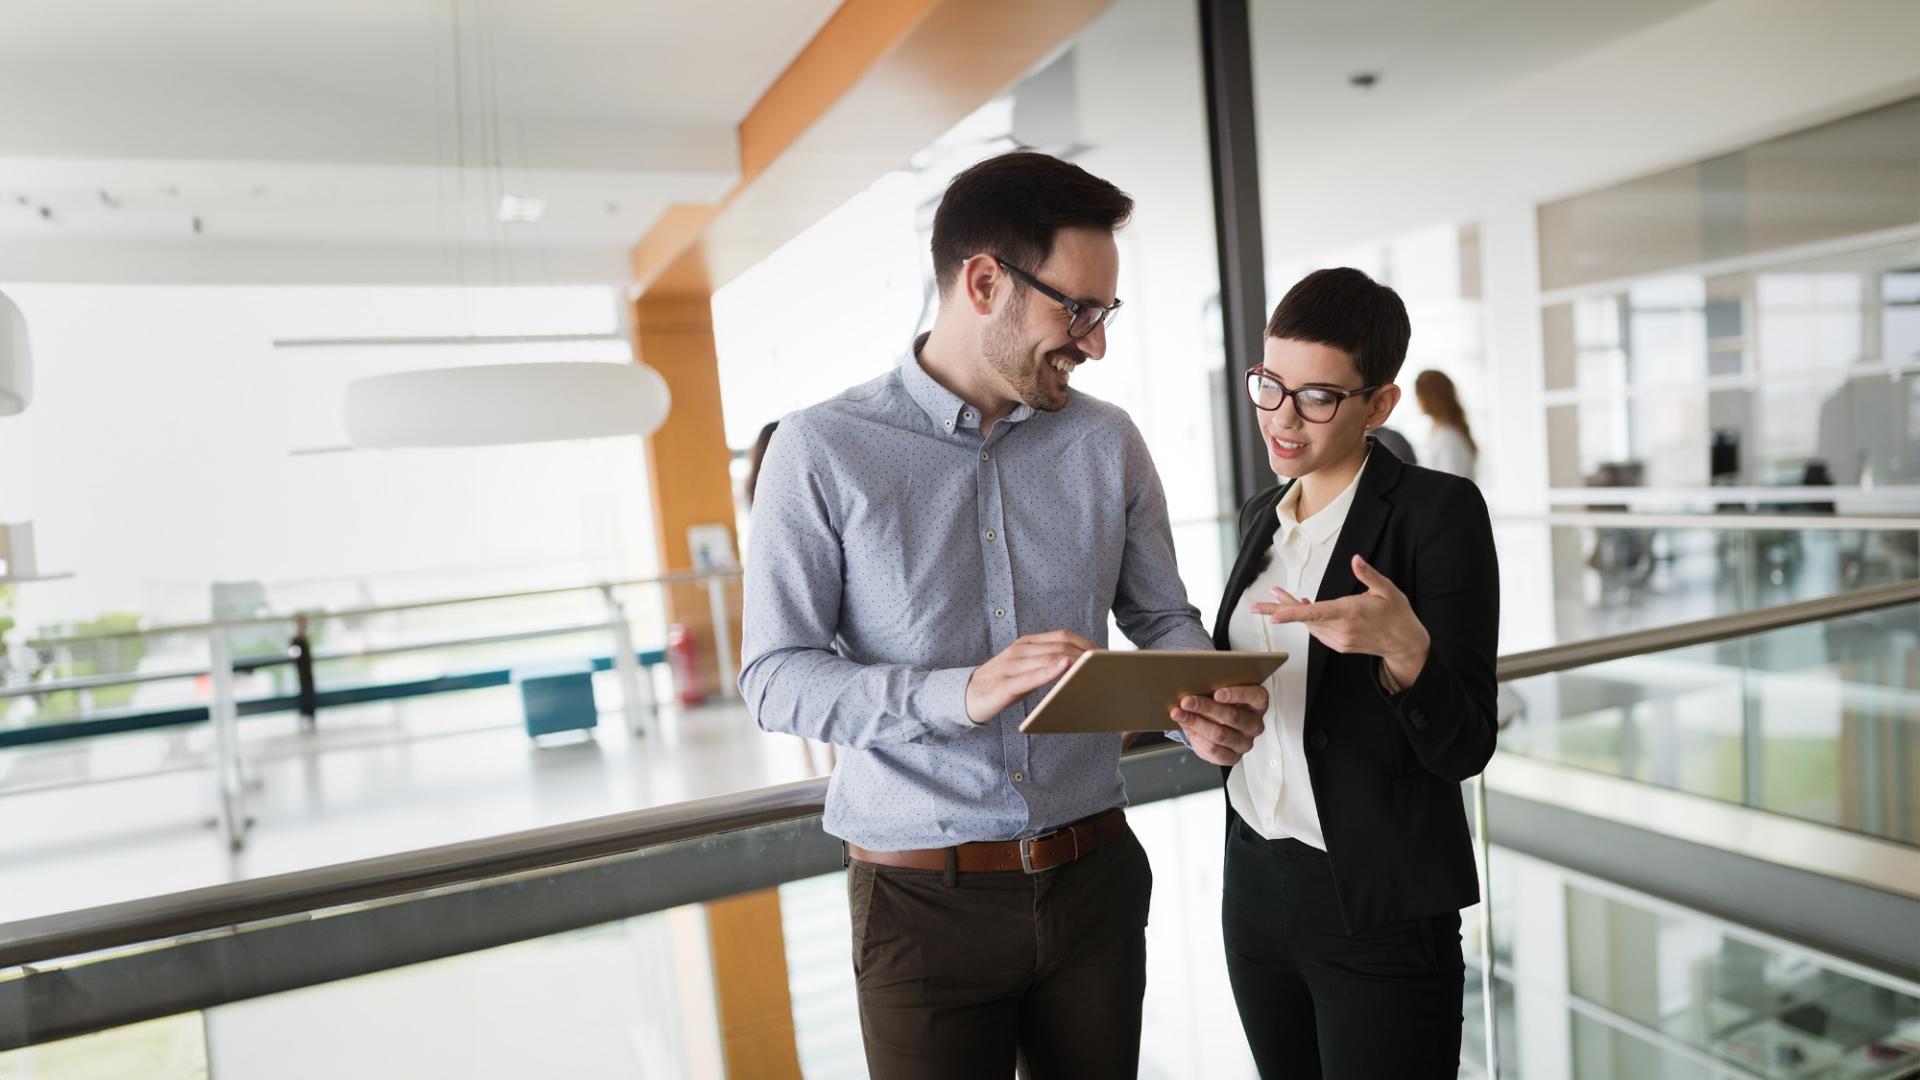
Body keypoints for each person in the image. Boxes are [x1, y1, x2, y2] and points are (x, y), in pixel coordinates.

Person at [738, 151, 1267, 1079]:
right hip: (919, 908)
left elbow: (1161, 615)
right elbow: (774, 677)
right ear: (984, 281)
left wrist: (1200, 702)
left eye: (1106, 314)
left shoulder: (1107, 441)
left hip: (1094, 880)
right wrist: (961, 692)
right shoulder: (820, 451)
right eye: (1080, 310)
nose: (1096, 342)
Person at [1213, 268, 1499, 1077]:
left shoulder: (1437, 514)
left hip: (1376, 900)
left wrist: (1408, 650)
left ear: (1379, 405)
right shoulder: (1259, 516)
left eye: (1318, 397)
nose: (1282, 418)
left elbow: (1467, 745)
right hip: (1256, 883)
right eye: (1270, 385)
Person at [1414, 367, 1477, 479]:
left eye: (1418, 394)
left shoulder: (1449, 438)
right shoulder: (1440, 433)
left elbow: (1454, 488)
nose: (1416, 400)